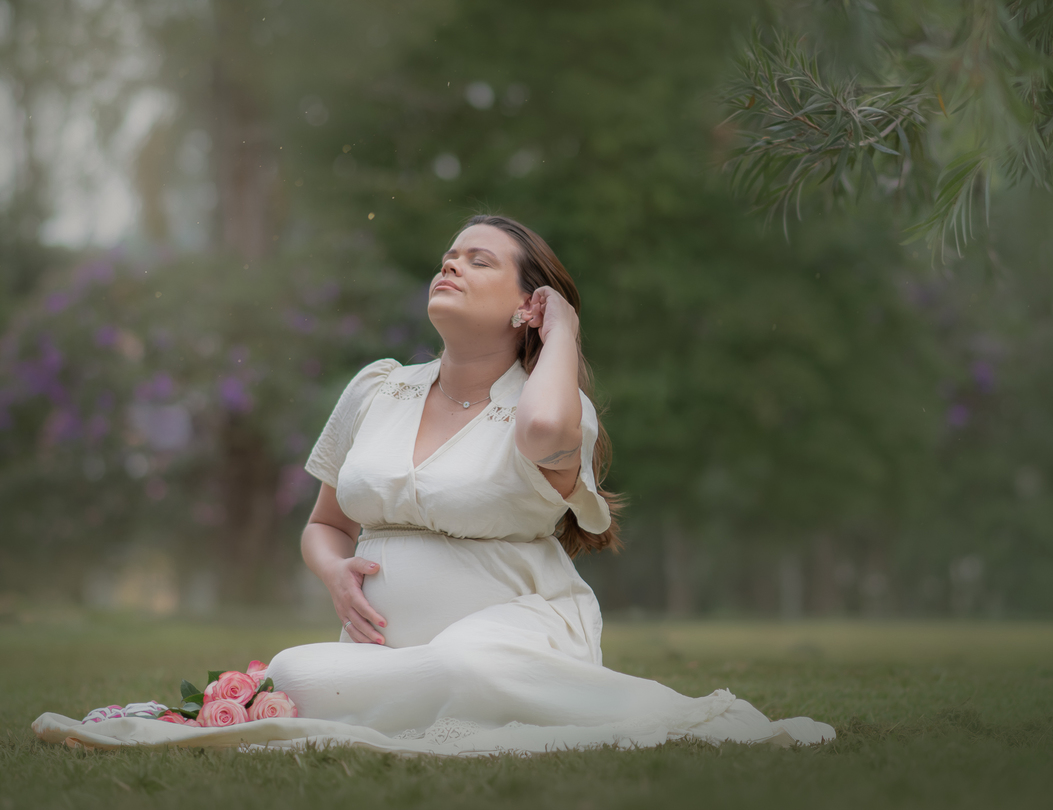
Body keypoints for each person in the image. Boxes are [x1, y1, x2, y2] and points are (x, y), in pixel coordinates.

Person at [32, 215, 834, 755]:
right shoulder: (378, 388)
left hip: (518, 634)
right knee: (305, 670)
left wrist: (566, 332)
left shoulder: (552, 407)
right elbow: (324, 523)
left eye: (478, 259)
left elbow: (546, 437)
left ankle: (690, 722)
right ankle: (359, 695)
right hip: (383, 648)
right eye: (450, 255)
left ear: (529, 306)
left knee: (444, 670)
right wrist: (332, 570)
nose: (450, 263)